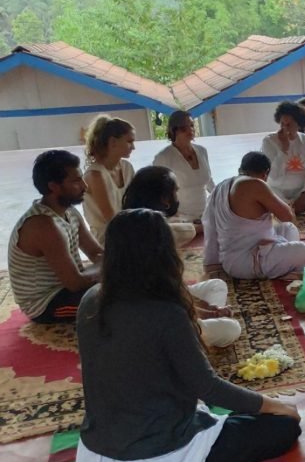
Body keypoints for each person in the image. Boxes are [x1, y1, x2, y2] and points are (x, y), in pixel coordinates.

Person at [74, 209, 301, 462]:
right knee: (284, 427)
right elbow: (207, 387)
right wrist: (276, 406)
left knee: (227, 413)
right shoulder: (164, 311)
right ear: (164, 253)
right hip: (160, 460)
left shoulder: (91, 300)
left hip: (96, 455)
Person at [122, 166, 242, 349]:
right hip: (157, 323)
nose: (178, 197)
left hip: (152, 309)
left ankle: (200, 328)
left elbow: (174, 291)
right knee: (231, 329)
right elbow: (169, 299)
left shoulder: (124, 222)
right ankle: (190, 340)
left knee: (217, 285)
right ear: (164, 199)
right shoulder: (155, 234)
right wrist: (206, 314)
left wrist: (209, 310)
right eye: (176, 191)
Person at [8, 150, 103, 324]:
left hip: (69, 287)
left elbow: (96, 252)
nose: (84, 186)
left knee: (129, 285)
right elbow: (75, 283)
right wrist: (108, 268)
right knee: (118, 301)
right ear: (54, 186)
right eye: (76, 181)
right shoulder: (42, 224)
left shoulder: (70, 212)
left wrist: (110, 265)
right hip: (47, 303)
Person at [203, 152, 305, 280]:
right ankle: (285, 270)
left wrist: (211, 262)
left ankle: (282, 266)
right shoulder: (255, 184)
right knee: (304, 252)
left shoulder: (220, 186)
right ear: (265, 173)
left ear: (240, 170)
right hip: (246, 261)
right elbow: (288, 216)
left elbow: (209, 225)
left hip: (230, 259)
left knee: (288, 228)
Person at [153, 110, 214, 224]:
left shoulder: (202, 151)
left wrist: (222, 200)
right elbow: (158, 192)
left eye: (191, 125)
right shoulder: (164, 157)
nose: (190, 130)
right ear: (173, 130)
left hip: (205, 216)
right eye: (184, 127)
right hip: (180, 219)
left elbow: (209, 182)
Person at [82, 115, 136, 243]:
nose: (133, 147)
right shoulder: (95, 175)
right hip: (108, 238)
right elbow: (112, 219)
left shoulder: (127, 167)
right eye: (129, 142)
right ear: (113, 142)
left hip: (130, 229)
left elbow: (136, 203)